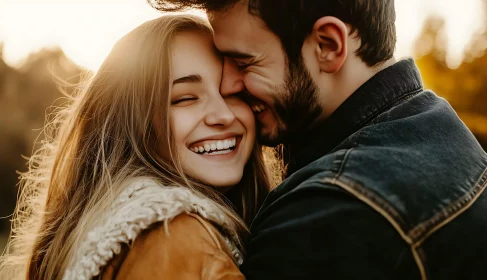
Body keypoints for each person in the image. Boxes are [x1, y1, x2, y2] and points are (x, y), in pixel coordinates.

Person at [151, 0, 487, 279]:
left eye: (243, 63)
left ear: (328, 45)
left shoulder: (331, 211)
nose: (229, 84)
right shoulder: (439, 126)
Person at [0, 15, 275, 280]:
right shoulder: (173, 236)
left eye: (234, 93)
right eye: (185, 98)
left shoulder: (122, 227)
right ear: (130, 126)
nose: (224, 115)